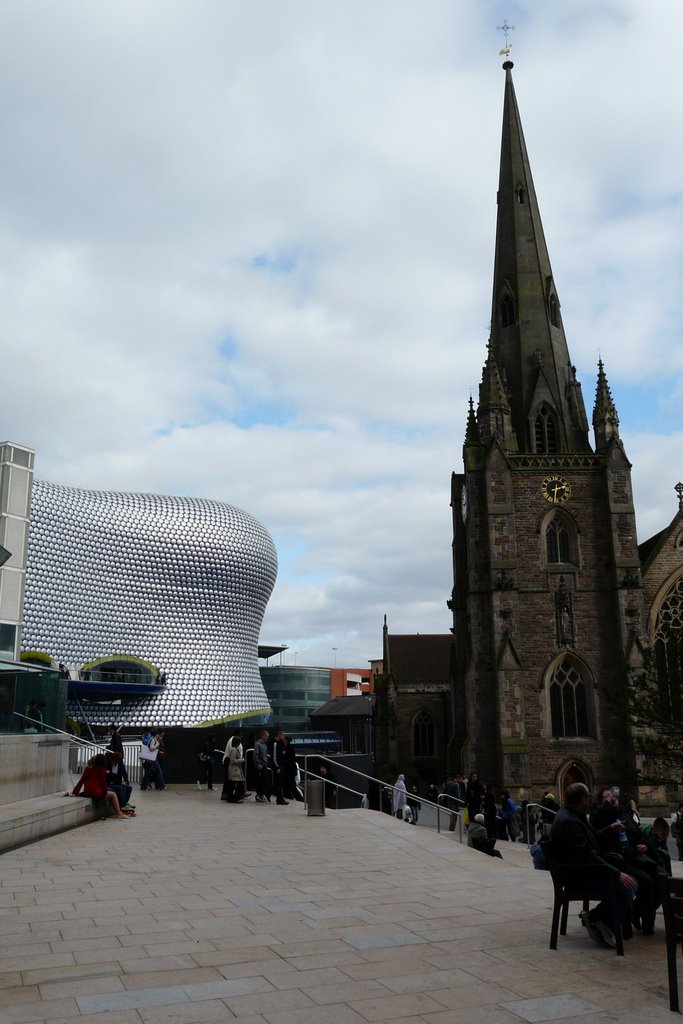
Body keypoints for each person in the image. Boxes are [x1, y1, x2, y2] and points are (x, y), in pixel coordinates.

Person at [550, 782, 637, 948]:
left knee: (628, 877)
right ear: (583, 799)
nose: (590, 800)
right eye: (588, 797)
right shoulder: (571, 822)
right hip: (578, 876)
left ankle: (600, 920)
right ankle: (599, 920)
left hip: (579, 870)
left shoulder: (571, 814)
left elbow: (588, 843)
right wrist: (617, 874)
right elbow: (588, 856)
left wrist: (609, 829)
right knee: (629, 887)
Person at [591, 784, 663, 935]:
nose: (611, 799)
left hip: (637, 857)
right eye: (606, 797)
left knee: (662, 878)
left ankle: (637, 911)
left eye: (613, 797)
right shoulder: (600, 815)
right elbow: (597, 836)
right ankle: (647, 926)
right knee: (646, 881)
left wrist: (646, 846)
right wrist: (610, 823)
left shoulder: (625, 815)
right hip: (620, 861)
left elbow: (640, 834)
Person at [71, 754, 129, 819]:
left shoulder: (87, 768)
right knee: (113, 794)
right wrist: (105, 792)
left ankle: (118, 811)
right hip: (96, 793)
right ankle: (119, 813)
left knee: (111, 791)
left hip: (86, 792)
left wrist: (75, 792)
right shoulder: (102, 769)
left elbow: (81, 781)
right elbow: (103, 783)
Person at [221, 730, 243, 800]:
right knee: (231, 780)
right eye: (241, 735)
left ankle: (227, 794)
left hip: (228, 761)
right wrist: (241, 760)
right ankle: (230, 795)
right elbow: (233, 758)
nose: (242, 736)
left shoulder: (231, 740)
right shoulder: (234, 745)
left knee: (229, 779)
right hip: (230, 762)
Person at [270, 728, 289, 805]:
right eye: (283, 734)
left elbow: (283, 752)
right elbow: (274, 756)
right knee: (278, 783)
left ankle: (276, 797)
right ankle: (279, 799)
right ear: (279, 734)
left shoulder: (280, 743)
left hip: (280, 765)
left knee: (279, 782)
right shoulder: (275, 743)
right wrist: (277, 767)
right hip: (277, 766)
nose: (284, 736)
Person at [253, 729, 271, 802]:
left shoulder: (264, 744)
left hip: (264, 765)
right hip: (260, 766)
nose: (268, 738)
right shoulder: (258, 744)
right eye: (267, 736)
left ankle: (261, 794)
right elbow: (255, 755)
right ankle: (259, 795)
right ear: (263, 736)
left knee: (265, 781)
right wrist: (258, 764)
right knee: (261, 781)